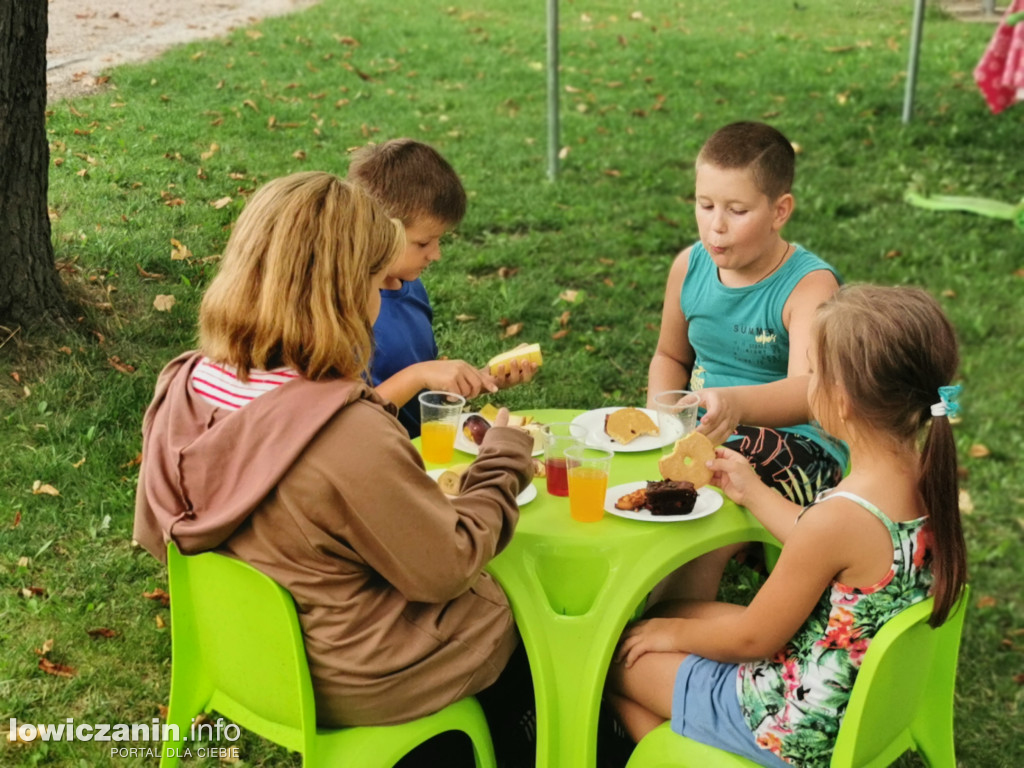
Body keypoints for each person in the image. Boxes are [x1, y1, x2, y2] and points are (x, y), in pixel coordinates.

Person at [132, 172, 535, 761]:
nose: (384, 293)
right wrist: (503, 455)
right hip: (362, 674)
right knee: (525, 611)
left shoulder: (183, 383)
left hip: (246, 652)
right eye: (378, 280)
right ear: (344, 291)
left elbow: (153, 533)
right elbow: (446, 566)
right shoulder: (345, 435)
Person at [608, 284, 968, 768]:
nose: (808, 383)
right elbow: (823, 542)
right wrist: (753, 491)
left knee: (619, 657)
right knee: (674, 609)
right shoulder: (924, 483)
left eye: (813, 373)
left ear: (840, 400)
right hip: (854, 697)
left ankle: (685, 756)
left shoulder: (838, 518)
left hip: (789, 724)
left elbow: (754, 639)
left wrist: (666, 635)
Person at [646, 120, 848, 602]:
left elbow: (811, 392)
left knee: (709, 507)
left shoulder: (809, 285)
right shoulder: (689, 267)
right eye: (705, 204)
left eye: (737, 210)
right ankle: (639, 616)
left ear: (780, 210)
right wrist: (662, 413)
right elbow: (670, 355)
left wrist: (734, 403)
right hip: (706, 429)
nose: (716, 225)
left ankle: (680, 624)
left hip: (798, 445)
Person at [347, 138, 537, 438]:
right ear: (377, 230)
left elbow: (424, 394)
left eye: (440, 240)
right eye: (423, 243)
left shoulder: (412, 288)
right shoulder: (345, 306)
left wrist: (483, 378)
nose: (436, 254)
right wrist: (419, 375)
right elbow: (347, 423)